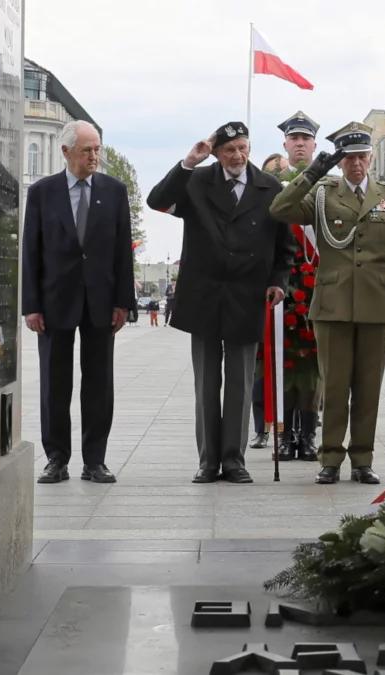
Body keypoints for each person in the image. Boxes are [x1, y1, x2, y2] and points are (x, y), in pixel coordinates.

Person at [147, 121, 294, 484]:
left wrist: (278, 283)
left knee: (241, 383)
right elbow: (158, 201)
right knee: (206, 382)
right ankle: (208, 461)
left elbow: (284, 246)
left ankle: (234, 460)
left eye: (243, 148)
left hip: (247, 294)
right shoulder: (197, 181)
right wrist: (188, 163)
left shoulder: (269, 187)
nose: (238, 156)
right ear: (215, 153)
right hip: (205, 295)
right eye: (229, 150)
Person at [269, 121, 385, 485]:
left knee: (368, 388)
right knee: (333, 386)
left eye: (362, 156)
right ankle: (330, 457)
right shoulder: (322, 193)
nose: (356, 164)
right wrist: (312, 173)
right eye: (349, 158)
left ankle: (362, 459)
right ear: (339, 161)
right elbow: (280, 209)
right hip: (333, 305)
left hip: (377, 306)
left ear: (371, 158)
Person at [21, 120, 135, 485]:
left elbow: (123, 251)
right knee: (54, 383)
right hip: (54, 302)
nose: (94, 156)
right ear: (66, 151)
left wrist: (123, 302)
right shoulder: (42, 192)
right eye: (87, 150)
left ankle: (95, 460)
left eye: (97, 149)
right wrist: (31, 305)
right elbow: (31, 251)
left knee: (99, 383)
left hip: (101, 301)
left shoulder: (114, 191)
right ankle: (56, 459)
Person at [270, 110, 323, 462]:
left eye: (306, 139)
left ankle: (308, 435)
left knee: (315, 368)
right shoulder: (271, 185)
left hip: (319, 286)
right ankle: (286, 435)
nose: (300, 144)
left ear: (315, 145)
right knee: (282, 364)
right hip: (284, 288)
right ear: (285, 144)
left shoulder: (328, 185)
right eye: (294, 139)